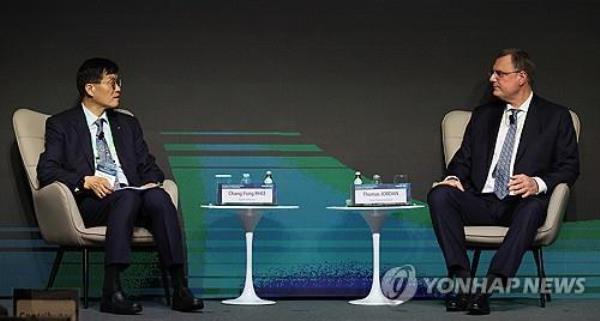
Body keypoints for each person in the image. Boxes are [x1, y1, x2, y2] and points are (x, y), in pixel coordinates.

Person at [37, 58, 204, 315]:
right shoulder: (62, 124)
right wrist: (85, 181)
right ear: (91, 88)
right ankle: (111, 290)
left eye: (119, 82)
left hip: (133, 195)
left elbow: (148, 164)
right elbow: (46, 170)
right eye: (112, 82)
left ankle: (180, 288)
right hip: (94, 201)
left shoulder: (126, 123)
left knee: (159, 198)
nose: (118, 89)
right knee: (126, 199)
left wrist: (152, 181)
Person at [428, 48, 579, 315]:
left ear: (521, 77)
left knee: (534, 207)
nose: (492, 79)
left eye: (500, 73)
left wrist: (537, 182)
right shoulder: (484, 115)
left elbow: (569, 167)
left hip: (519, 203)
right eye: (492, 72)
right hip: (481, 200)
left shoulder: (556, 117)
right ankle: (463, 284)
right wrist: (452, 178)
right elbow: (464, 158)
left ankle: (488, 288)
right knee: (440, 195)